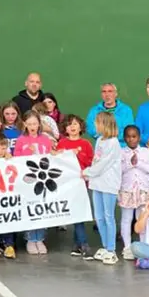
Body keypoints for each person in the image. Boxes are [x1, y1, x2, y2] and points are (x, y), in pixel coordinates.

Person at [83, 112, 122, 265]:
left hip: (109, 184)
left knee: (108, 216)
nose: (95, 125)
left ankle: (111, 249)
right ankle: (105, 246)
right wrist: (91, 175)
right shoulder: (99, 140)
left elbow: (103, 164)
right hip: (97, 183)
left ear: (105, 124)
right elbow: (96, 160)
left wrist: (86, 172)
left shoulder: (113, 143)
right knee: (98, 216)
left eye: (97, 122)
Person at [14, 110, 54, 255]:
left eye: (35, 123)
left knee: (42, 207)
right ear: (24, 124)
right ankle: (31, 238)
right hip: (28, 179)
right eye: (29, 123)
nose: (32, 126)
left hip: (42, 178)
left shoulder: (44, 139)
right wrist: (27, 152)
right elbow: (16, 159)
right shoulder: (21, 140)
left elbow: (50, 157)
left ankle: (40, 238)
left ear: (39, 124)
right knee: (30, 206)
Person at [118, 125, 149, 261]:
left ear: (139, 138)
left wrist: (138, 163)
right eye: (128, 136)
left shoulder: (147, 152)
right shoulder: (121, 153)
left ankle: (142, 246)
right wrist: (130, 164)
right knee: (126, 219)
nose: (131, 139)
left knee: (142, 218)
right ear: (124, 138)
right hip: (127, 190)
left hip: (143, 191)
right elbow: (118, 171)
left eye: (134, 136)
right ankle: (127, 247)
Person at [56, 115, 94, 257]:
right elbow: (57, 163)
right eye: (69, 124)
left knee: (80, 214)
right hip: (67, 185)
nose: (72, 127)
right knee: (76, 215)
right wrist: (64, 153)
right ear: (65, 128)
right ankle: (82, 244)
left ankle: (78, 244)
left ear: (80, 126)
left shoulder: (86, 144)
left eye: (75, 124)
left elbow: (91, 163)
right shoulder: (62, 144)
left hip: (82, 184)